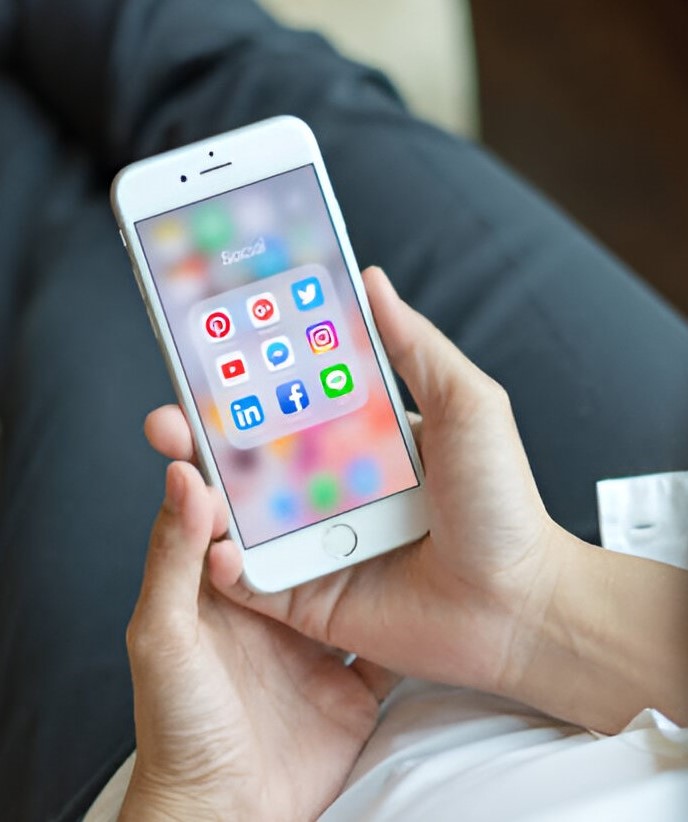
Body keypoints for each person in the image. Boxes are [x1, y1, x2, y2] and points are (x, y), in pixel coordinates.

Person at [0, 0, 687, 819]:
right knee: (254, 94)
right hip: (630, 597)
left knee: (64, 265)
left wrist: (194, 800)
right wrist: (533, 604)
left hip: (248, 761)